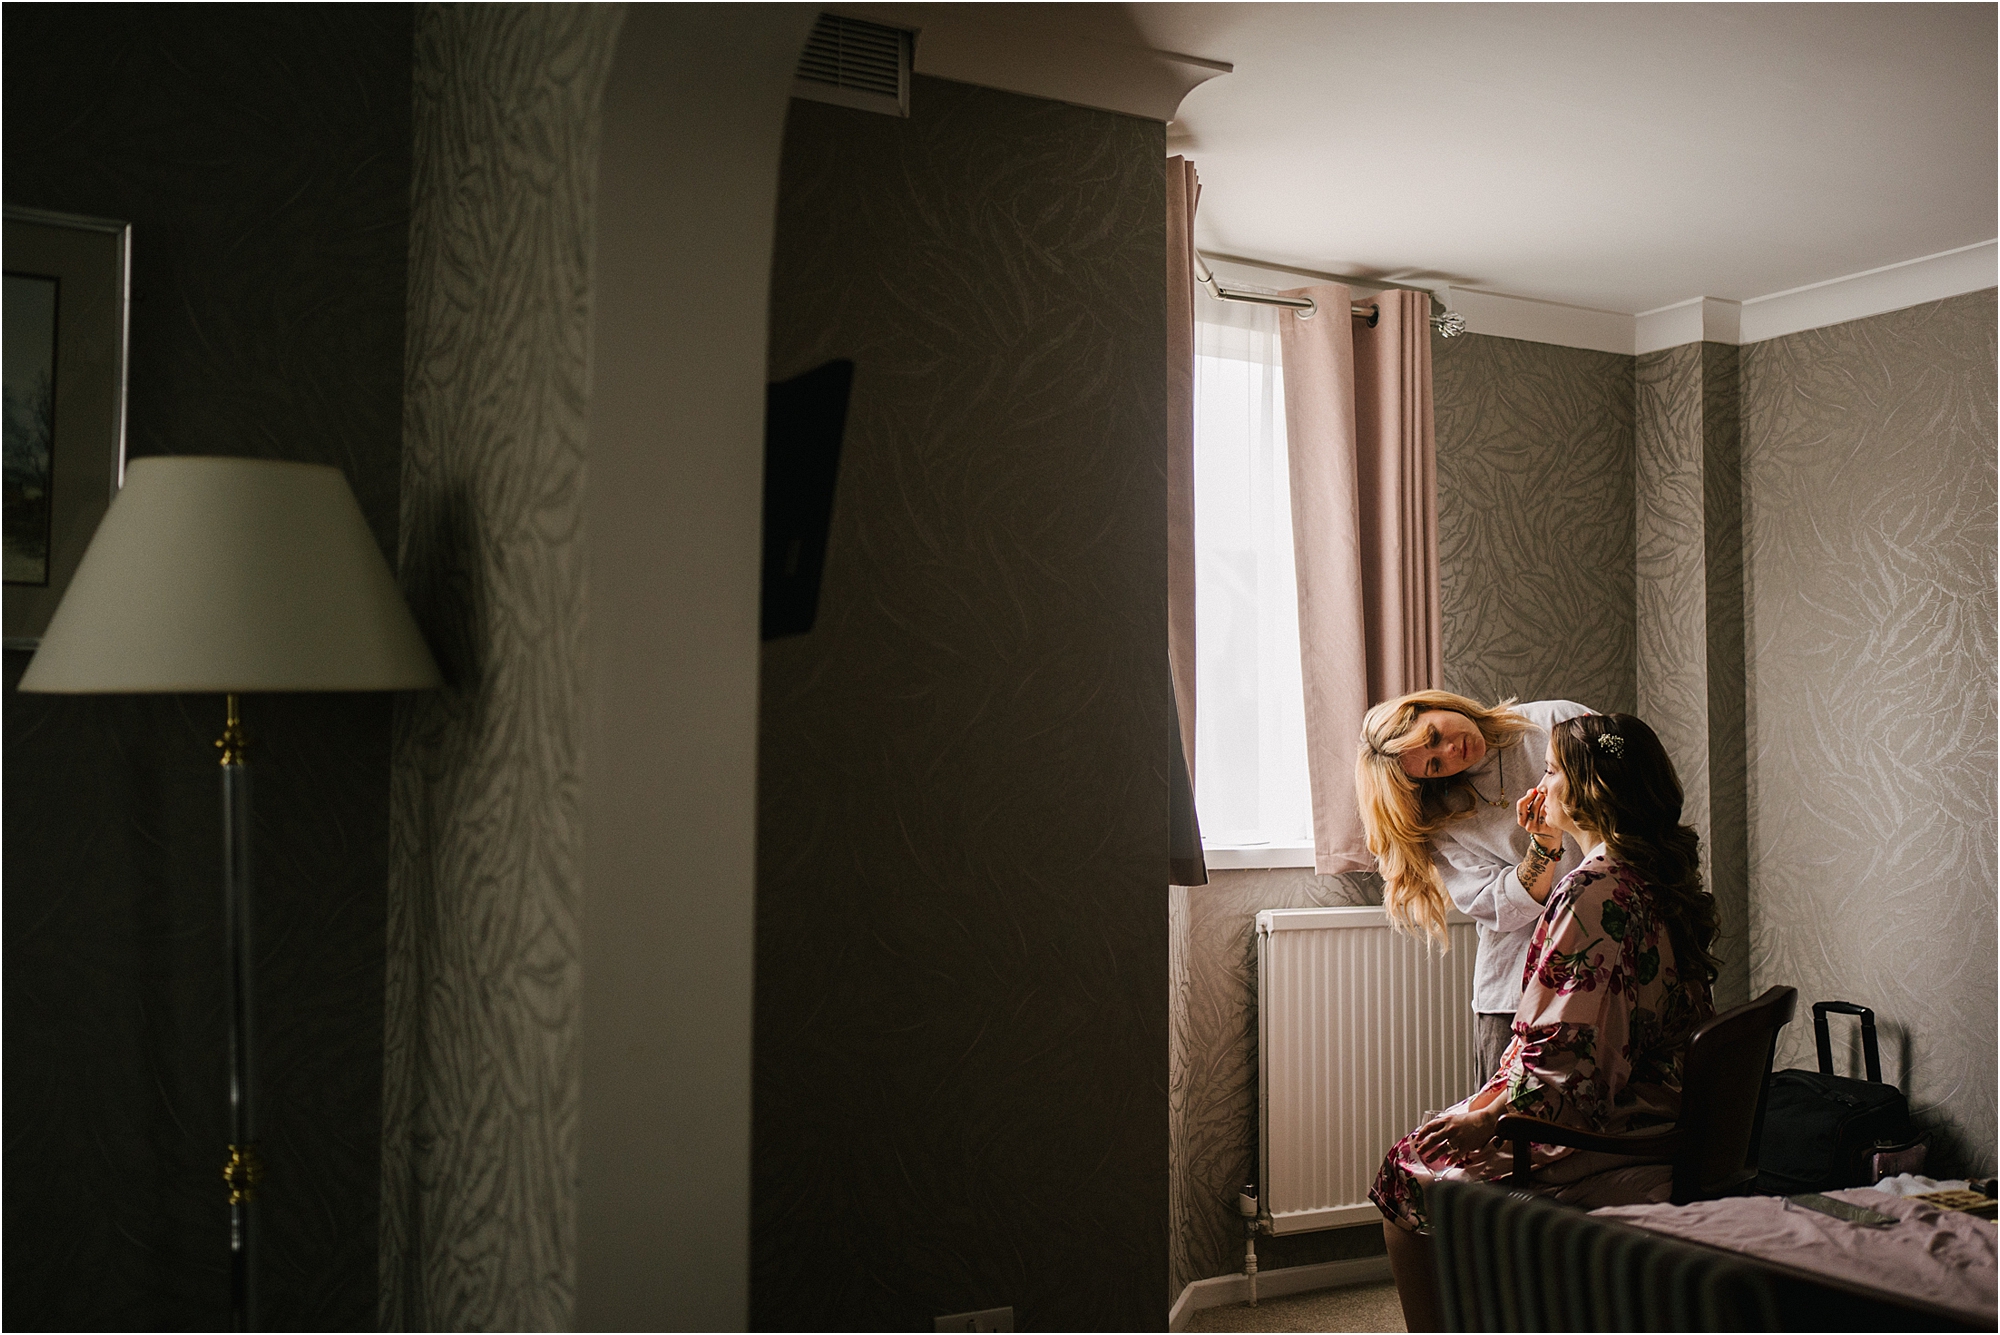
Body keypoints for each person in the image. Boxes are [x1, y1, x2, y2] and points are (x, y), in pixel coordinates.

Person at [1369, 712, 1721, 1331]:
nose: (1543, 779)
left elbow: (1566, 1074)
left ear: (1593, 791)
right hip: (1662, 1096)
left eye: (1555, 770)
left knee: (1408, 1168)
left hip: (1619, 1124)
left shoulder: (1591, 895)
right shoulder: (1649, 875)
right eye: (1430, 762)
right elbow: (1574, 1040)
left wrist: (1489, 1119)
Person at [1355, 691, 1594, 1082]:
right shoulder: (1441, 820)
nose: (1451, 750)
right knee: (1507, 1132)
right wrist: (1544, 845)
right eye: (1434, 765)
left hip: (1609, 959)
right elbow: (1501, 908)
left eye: (1433, 735)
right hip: (1517, 989)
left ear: (1431, 705)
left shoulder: (1556, 723)